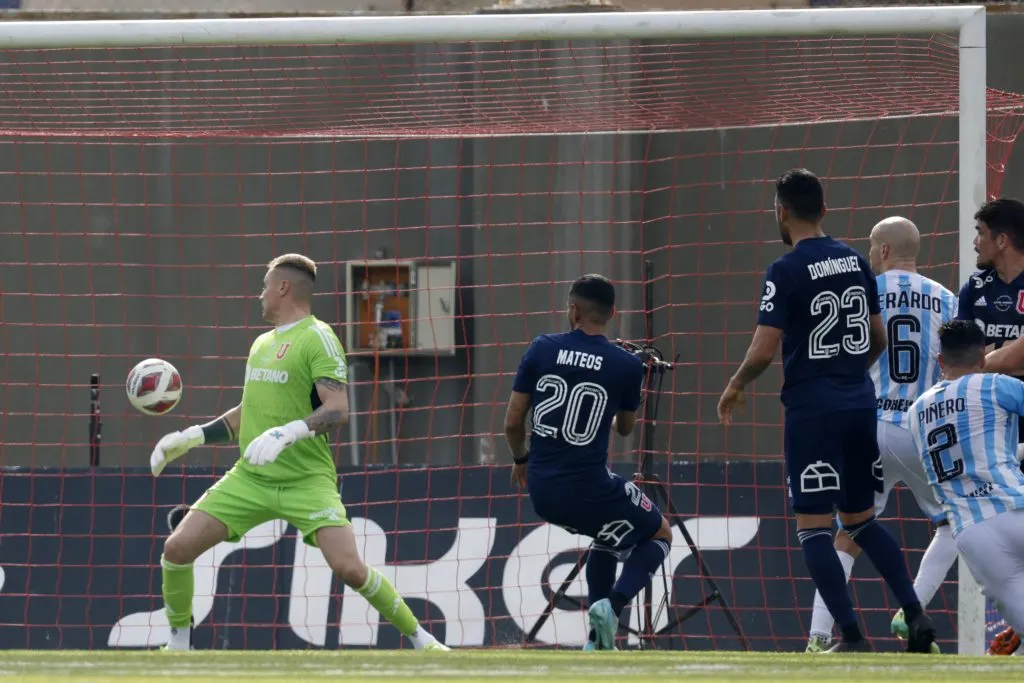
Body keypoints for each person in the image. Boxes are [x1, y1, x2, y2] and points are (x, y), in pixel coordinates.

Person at [149, 253, 447, 652]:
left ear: (282, 287)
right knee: (176, 548)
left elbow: (338, 408)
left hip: (307, 480)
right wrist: (191, 438)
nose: (260, 295)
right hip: (251, 478)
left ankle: (422, 639)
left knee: (349, 569)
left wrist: (290, 432)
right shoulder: (261, 343)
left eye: (264, 286)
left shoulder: (318, 337)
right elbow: (248, 413)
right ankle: (178, 646)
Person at [718, 169, 936, 653]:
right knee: (860, 521)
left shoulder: (786, 269)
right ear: (824, 209)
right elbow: (878, 337)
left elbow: (761, 352)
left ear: (781, 211)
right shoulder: (857, 261)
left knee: (814, 527)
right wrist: (849, 376)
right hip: (861, 404)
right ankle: (916, 615)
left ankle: (852, 636)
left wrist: (735, 386)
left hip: (813, 412)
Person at [804, 217, 956, 653]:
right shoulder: (946, 299)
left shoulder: (862, 293)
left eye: (872, 247)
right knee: (955, 522)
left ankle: (818, 635)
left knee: (847, 532)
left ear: (884, 251)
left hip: (866, 425)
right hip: (921, 428)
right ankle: (914, 612)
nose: (869, 254)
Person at [504, 274, 673, 651]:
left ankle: (599, 640)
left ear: (573, 309)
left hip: (543, 493)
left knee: (608, 533)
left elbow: (513, 422)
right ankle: (612, 607)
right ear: (613, 314)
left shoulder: (542, 348)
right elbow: (625, 430)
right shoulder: (626, 365)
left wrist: (520, 460)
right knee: (661, 533)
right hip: (589, 488)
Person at [909, 320, 1024, 650]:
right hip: (1015, 506)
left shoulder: (916, 413)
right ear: (984, 358)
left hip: (973, 533)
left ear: (941, 361)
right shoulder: (998, 386)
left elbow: (967, 454)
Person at [955, 197, 1024, 655]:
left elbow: (966, 365)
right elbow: (957, 360)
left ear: (1001, 239)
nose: (975, 241)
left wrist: (978, 366)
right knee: (981, 524)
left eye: (980, 233)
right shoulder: (973, 289)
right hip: (990, 425)